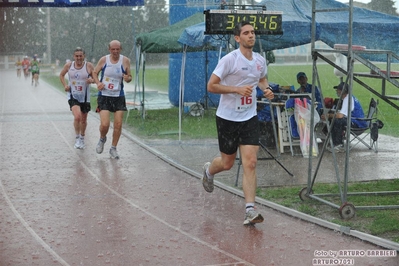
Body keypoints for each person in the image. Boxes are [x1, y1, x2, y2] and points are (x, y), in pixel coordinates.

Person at [202, 21, 274, 226]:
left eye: (253, 32)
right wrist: (236, 89)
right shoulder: (229, 60)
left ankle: (250, 210)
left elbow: (261, 79)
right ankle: (209, 171)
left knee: (250, 162)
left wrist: (267, 90)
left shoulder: (260, 60)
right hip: (227, 119)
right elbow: (211, 86)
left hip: (249, 118)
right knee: (227, 163)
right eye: (246, 33)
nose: (251, 36)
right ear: (237, 38)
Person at [92, 40, 132, 159]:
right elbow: (94, 72)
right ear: (109, 49)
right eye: (113, 49)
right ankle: (102, 138)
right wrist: (98, 82)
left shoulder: (125, 61)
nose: (115, 51)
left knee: (118, 124)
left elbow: (129, 76)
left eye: (117, 49)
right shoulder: (104, 60)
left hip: (118, 96)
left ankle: (113, 148)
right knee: (105, 124)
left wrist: (127, 78)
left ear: (121, 49)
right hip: (104, 95)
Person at [59, 47, 95, 149]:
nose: (79, 58)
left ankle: (82, 138)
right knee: (77, 117)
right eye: (77, 56)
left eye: (80, 56)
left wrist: (91, 80)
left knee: (83, 120)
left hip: (85, 97)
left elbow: (96, 78)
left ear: (84, 56)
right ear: (73, 56)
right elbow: (61, 75)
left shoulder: (88, 66)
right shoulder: (69, 65)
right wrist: (65, 85)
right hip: (73, 95)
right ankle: (77, 138)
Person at [321, 82, 367, 152]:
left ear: (343, 91)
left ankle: (338, 145)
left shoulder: (347, 99)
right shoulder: (349, 97)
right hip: (357, 121)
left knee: (337, 121)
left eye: (338, 90)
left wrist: (328, 115)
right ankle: (334, 142)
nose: (337, 91)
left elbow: (340, 116)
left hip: (357, 123)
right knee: (336, 119)